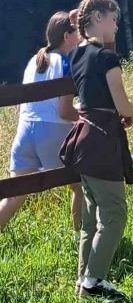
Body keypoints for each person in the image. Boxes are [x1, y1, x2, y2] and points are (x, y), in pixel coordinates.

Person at [58, 0, 133, 301]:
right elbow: (122, 104)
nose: (116, 26)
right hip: (103, 140)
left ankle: (84, 282)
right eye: (113, 19)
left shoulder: (77, 53)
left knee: (91, 217)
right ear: (97, 17)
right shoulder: (106, 57)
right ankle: (94, 282)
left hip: (82, 138)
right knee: (115, 212)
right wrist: (131, 112)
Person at [0, 12, 82, 231]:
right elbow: (64, 112)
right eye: (77, 32)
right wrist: (86, 116)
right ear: (67, 36)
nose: (81, 37)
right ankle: (82, 238)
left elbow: (24, 104)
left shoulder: (33, 62)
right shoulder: (65, 63)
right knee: (80, 185)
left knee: (14, 195)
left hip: (24, 132)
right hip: (52, 132)